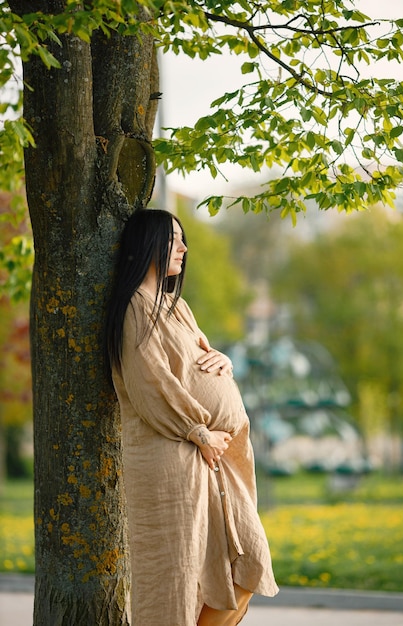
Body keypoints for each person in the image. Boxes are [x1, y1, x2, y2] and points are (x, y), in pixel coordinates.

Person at [106, 207, 278, 626]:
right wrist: (199, 431)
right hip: (173, 458)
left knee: (248, 560)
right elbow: (153, 385)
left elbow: (200, 363)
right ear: (147, 244)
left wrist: (224, 360)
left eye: (183, 239)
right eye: (173, 239)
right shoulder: (134, 308)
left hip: (213, 457)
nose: (183, 248)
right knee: (176, 576)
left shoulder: (176, 307)